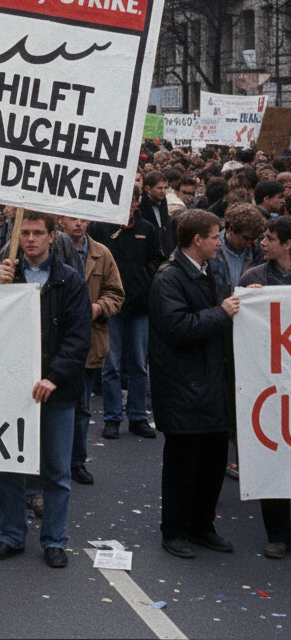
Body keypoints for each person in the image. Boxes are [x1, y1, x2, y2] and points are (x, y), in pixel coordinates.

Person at [0, 212, 91, 568]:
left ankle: (54, 539)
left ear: (51, 237)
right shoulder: (2, 273)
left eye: (37, 233)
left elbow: (79, 337)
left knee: (57, 470)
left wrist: (54, 377)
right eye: (25, 232)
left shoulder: (70, 280)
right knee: (10, 467)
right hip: (11, 388)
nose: (30, 239)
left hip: (56, 392)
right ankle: (12, 536)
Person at [148, 209, 237, 559]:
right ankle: (175, 530)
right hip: (183, 386)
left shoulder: (208, 271)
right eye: (216, 236)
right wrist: (222, 312)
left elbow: (224, 307)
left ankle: (203, 526)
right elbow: (177, 328)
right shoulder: (168, 279)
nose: (220, 242)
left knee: (213, 463)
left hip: (211, 384)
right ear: (197, 240)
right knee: (183, 465)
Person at [91, 187, 164, 441]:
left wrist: (143, 280)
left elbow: (157, 260)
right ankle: (112, 418)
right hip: (111, 308)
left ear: (136, 203)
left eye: (131, 199)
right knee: (110, 366)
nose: (127, 204)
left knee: (138, 365)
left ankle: (137, 416)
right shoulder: (101, 228)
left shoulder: (148, 229)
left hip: (139, 307)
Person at [56, 216, 124, 486]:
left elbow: (116, 293)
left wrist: (97, 308)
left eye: (84, 219)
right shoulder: (50, 250)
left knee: (82, 407)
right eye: (73, 218)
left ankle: (76, 461)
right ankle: (55, 460)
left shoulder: (101, 253)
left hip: (89, 340)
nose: (79, 224)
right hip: (56, 341)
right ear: (61, 221)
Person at [240, 216, 291, 558]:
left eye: (270, 238)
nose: (262, 243)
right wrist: (251, 302)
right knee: (273, 452)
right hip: (268, 381)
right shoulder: (254, 278)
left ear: (287, 244)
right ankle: (277, 534)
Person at [208, 203, 265, 299]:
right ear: (230, 229)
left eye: (254, 239)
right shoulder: (210, 250)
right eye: (246, 238)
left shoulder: (259, 251)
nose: (249, 244)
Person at [140, 170, 176, 253]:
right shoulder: (141, 207)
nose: (163, 191)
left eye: (165, 188)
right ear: (148, 189)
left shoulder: (163, 203)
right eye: (159, 188)